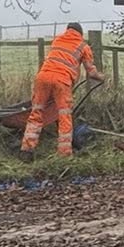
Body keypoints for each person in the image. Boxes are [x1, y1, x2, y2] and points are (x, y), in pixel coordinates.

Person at [21, 22, 104, 157]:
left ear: (67, 30)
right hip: (62, 81)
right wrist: (101, 77)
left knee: (36, 113)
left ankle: (26, 149)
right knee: (64, 115)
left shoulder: (57, 39)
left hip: (42, 77)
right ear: (80, 33)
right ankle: (64, 153)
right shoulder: (83, 46)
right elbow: (91, 73)